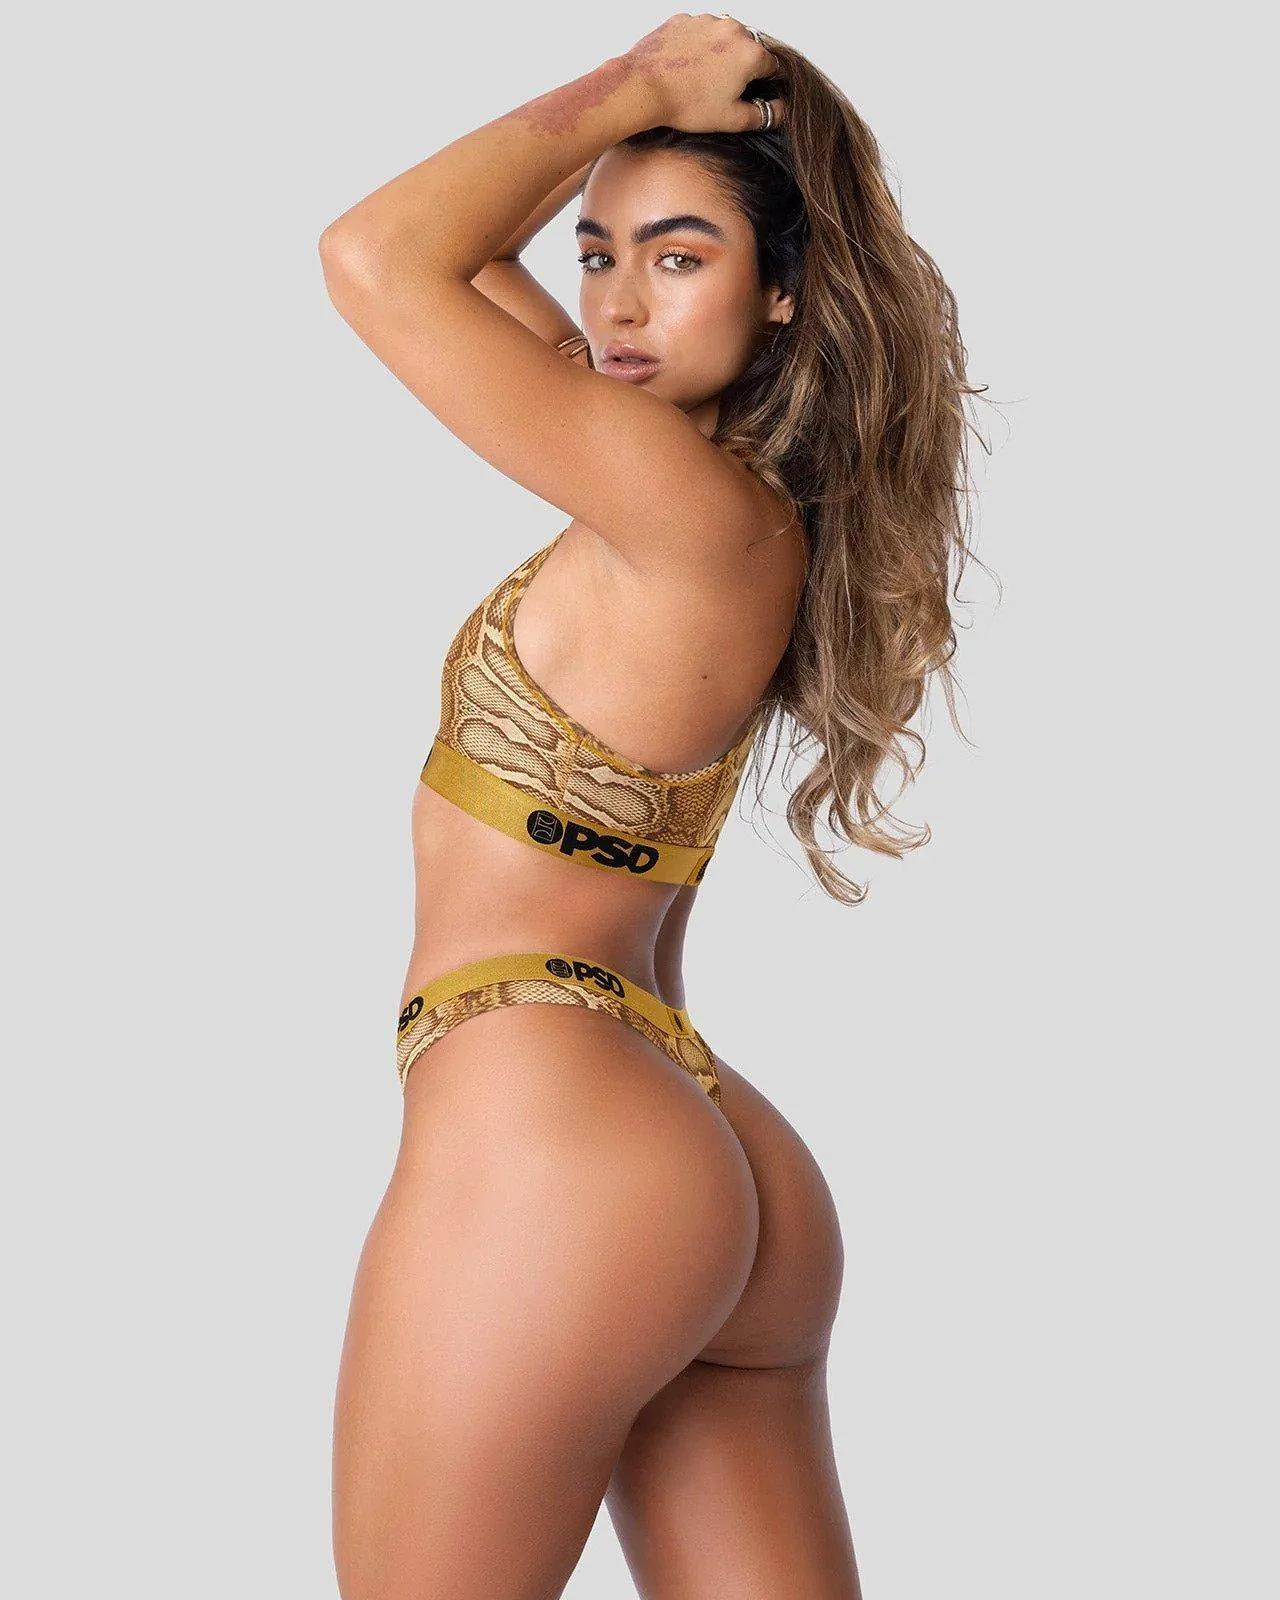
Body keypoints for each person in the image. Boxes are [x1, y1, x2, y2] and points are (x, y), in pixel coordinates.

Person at [319, 14, 977, 1597]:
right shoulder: (701, 492)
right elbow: (469, 259)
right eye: (598, 253)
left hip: (552, 1130)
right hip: (688, 1136)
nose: (615, 302)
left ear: (785, 288)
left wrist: (644, 86)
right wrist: (645, 144)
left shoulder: (681, 507)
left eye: (678, 259)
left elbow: (378, 255)